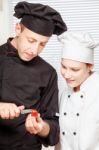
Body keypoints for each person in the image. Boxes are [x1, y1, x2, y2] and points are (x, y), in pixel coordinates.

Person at [0, 1, 67, 150]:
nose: (34, 50)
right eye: (31, 40)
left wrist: (42, 127)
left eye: (42, 44)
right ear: (18, 29)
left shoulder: (48, 73)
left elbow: (53, 126)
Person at [55, 31, 99, 150]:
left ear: (90, 66)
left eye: (75, 69)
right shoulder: (65, 93)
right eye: (64, 67)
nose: (67, 75)